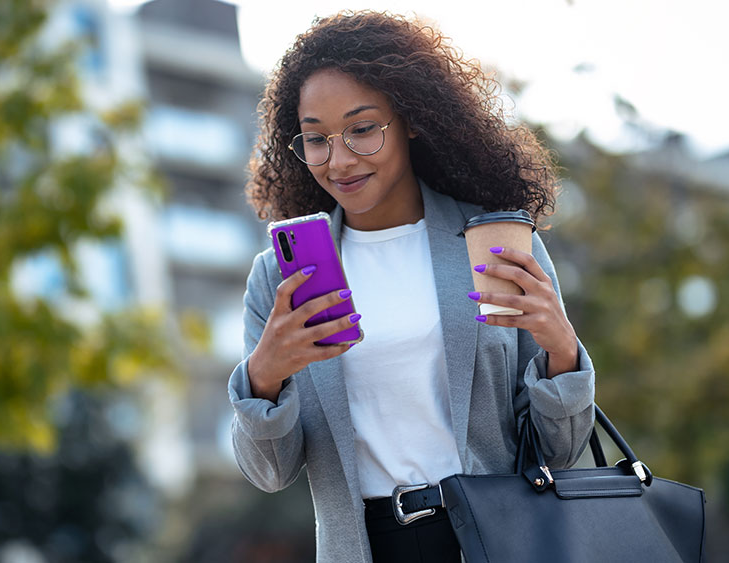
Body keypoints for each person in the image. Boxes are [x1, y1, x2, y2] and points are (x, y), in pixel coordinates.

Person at [228, 11, 595, 563]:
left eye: (362, 128)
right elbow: (269, 473)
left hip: (495, 542)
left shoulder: (495, 243)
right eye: (316, 139)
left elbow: (560, 453)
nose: (340, 159)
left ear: (412, 120)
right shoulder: (281, 280)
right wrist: (263, 379)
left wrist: (563, 354)